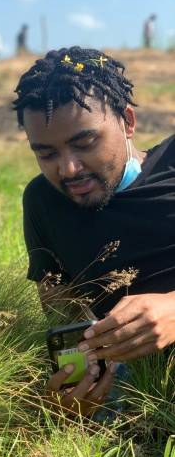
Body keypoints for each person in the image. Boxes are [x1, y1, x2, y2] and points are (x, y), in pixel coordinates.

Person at [14, 46, 175, 416]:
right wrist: (74, 387)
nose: (69, 169)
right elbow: (64, 316)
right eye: (46, 154)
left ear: (127, 122)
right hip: (136, 386)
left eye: (84, 143)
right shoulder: (43, 202)